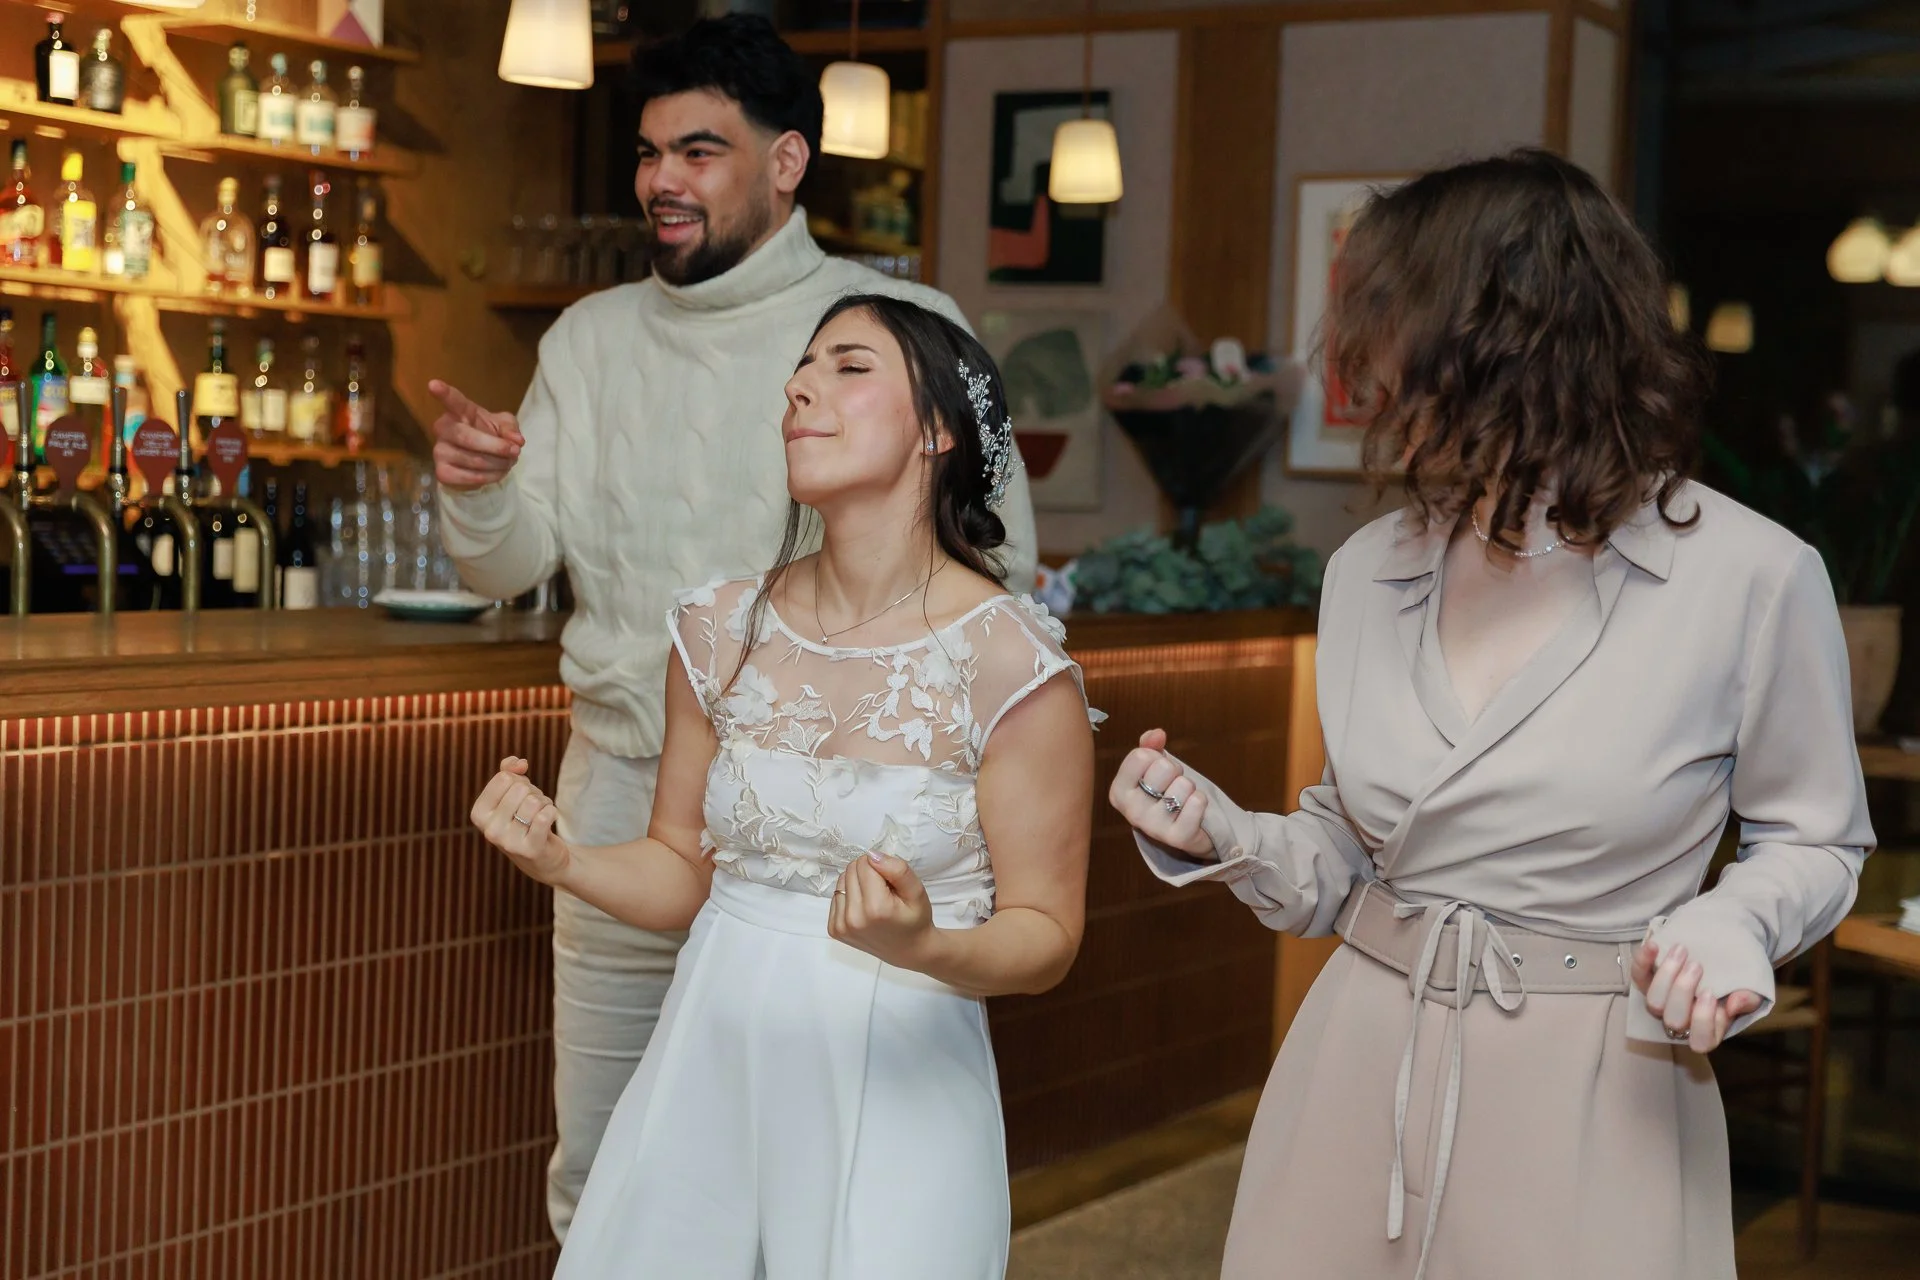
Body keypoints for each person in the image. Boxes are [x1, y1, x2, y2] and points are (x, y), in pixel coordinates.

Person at [1112, 150, 1872, 1280]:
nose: (1368, 375)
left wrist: (1735, 923)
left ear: (1507, 337)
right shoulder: (1368, 568)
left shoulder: (1751, 577)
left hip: (1596, 1094)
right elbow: (1350, 848)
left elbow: (1817, 839)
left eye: (1390, 327)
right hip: (1355, 1074)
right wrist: (1226, 835)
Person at [428, 15, 1038, 1241]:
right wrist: (477, 488)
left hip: (830, 801)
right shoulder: (589, 340)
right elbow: (510, 563)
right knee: (612, 1170)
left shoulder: (894, 330)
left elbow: (999, 562)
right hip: (622, 779)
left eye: (699, 151)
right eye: (649, 152)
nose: (662, 178)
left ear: (787, 161)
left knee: (826, 1185)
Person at [470, 294, 1095, 1277]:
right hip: (709, 1062)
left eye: (849, 366)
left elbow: (1047, 932)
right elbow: (680, 867)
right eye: (803, 367)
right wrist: (563, 860)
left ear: (937, 430)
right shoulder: (719, 630)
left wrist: (923, 944)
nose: (801, 387)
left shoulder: (1012, 665)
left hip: (899, 1082)